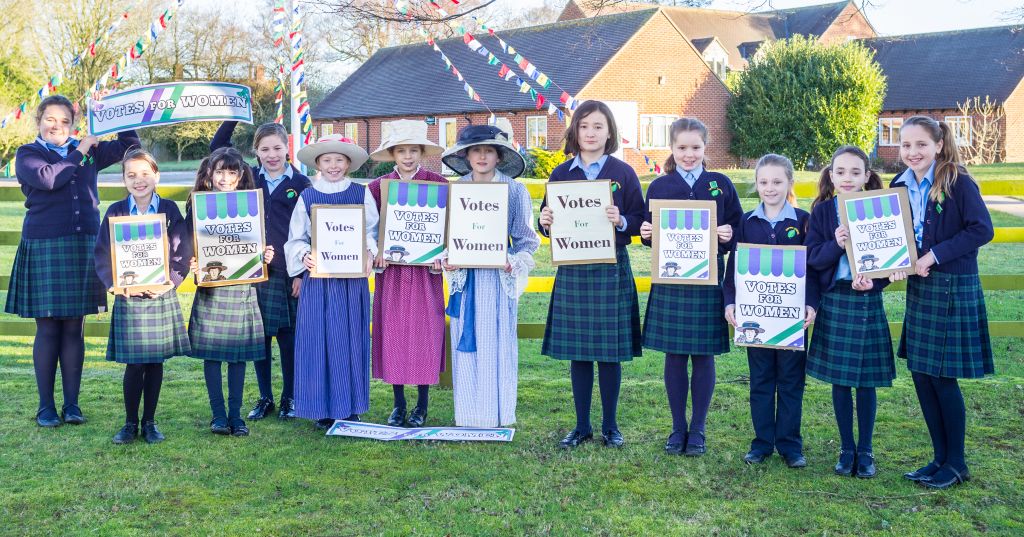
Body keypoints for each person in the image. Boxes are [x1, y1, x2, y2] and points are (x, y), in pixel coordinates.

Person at [6, 93, 139, 427]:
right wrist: (80, 151)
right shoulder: (28, 154)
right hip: (46, 244)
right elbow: (50, 178)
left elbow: (129, 148)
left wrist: (112, 113)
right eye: (50, 119)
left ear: (74, 123)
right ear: (38, 121)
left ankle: (73, 405)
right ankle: (45, 406)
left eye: (65, 121)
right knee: (49, 328)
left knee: (74, 328)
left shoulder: (90, 149)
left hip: (82, 244)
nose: (57, 126)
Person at [892, 116, 994, 490]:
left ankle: (956, 463)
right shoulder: (899, 185)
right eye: (905, 145)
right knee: (921, 374)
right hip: (922, 289)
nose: (912, 152)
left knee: (942, 377)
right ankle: (938, 458)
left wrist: (934, 255)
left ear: (937, 145)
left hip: (953, 285)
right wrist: (892, 264)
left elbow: (982, 229)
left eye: (920, 145)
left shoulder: (957, 182)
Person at [539, 100, 644, 449]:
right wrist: (545, 223)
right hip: (573, 269)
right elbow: (547, 221)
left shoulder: (624, 173)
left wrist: (622, 220)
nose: (591, 133)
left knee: (609, 351)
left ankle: (610, 426)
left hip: (611, 266)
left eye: (598, 126)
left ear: (610, 132)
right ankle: (582, 425)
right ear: (575, 131)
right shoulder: (561, 174)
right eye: (584, 126)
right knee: (579, 351)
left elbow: (639, 221)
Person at [639, 118, 742, 456]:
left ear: (705, 147)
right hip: (672, 281)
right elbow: (649, 236)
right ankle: (677, 428)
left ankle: (697, 429)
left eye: (695, 147)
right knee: (674, 354)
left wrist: (727, 236)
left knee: (703, 355)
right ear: (672, 149)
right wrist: (646, 234)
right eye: (682, 148)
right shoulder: (659, 187)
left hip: (708, 279)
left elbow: (738, 233)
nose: (689, 154)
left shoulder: (721, 184)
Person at [805, 146, 896, 478]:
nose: (847, 178)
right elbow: (812, 259)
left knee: (866, 381)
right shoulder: (823, 213)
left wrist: (876, 284)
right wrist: (836, 243)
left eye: (855, 172)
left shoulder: (882, 209)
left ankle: (866, 450)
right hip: (837, 300)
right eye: (840, 172)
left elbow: (891, 260)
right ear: (831, 176)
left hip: (867, 299)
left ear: (867, 176)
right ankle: (846, 449)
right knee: (841, 381)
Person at [211, 121, 311, 420]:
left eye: (277, 148)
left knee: (289, 337)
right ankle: (265, 397)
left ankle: (290, 397)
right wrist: (232, 116)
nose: (272, 155)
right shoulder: (248, 178)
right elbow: (217, 150)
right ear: (255, 151)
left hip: (289, 272)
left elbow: (312, 232)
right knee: (260, 338)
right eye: (265, 149)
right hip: (254, 271)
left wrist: (301, 274)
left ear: (287, 148)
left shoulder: (302, 185)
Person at [441, 125, 539, 428]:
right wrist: (448, 259)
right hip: (466, 280)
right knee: (464, 344)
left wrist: (513, 262)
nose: (482, 156)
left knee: (497, 342)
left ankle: (497, 413)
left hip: (497, 279)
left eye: (488, 150)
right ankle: (470, 414)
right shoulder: (455, 190)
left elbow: (526, 239)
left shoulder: (514, 190)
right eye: (476, 150)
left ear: (499, 156)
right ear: (467, 156)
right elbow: (444, 236)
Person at [723, 153, 816, 467]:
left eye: (777, 181)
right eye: (763, 182)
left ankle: (790, 446)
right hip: (756, 320)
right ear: (756, 185)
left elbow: (813, 270)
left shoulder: (804, 221)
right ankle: (762, 443)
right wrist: (730, 302)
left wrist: (811, 304)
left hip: (791, 321)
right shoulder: (746, 223)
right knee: (761, 380)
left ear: (790, 182)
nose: (770, 188)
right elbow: (733, 270)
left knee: (791, 381)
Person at [94, 148, 190, 444]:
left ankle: (150, 422)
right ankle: (129, 423)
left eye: (145, 174)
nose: (139, 180)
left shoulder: (171, 210)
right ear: (123, 179)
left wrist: (170, 282)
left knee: (155, 362)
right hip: (129, 296)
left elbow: (182, 252)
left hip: (161, 296)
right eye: (132, 175)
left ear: (156, 176)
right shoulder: (116, 212)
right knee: (134, 364)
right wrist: (114, 284)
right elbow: (102, 252)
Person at [287, 134, 377, 430]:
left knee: (349, 339)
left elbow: (372, 230)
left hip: (351, 282)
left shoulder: (360, 193)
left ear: (349, 163)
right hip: (320, 279)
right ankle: (320, 407)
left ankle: (349, 406)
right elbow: (297, 237)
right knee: (319, 340)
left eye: (339, 159)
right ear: (318, 163)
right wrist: (303, 256)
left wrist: (368, 251)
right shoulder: (308, 196)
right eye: (327, 160)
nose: (334, 165)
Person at [186, 148, 274, 437]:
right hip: (212, 289)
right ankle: (218, 416)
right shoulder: (197, 204)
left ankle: (236, 416)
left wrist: (266, 255)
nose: (225, 178)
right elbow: (188, 243)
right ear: (209, 174)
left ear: (241, 176)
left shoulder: (252, 204)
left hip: (242, 287)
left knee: (238, 356)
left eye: (232, 172)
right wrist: (193, 261)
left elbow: (259, 242)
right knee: (212, 356)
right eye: (220, 171)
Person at [367, 120, 448, 428]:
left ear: (422, 153)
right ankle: (399, 404)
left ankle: (422, 405)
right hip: (394, 274)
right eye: (402, 151)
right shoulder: (378, 187)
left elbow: (448, 229)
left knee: (424, 336)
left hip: (426, 274)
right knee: (395, 335)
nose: (408, 157)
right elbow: (369, 228)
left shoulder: (438, 184)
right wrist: (375, 251)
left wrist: (442, 256)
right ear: (393, 154)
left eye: (414, 150)